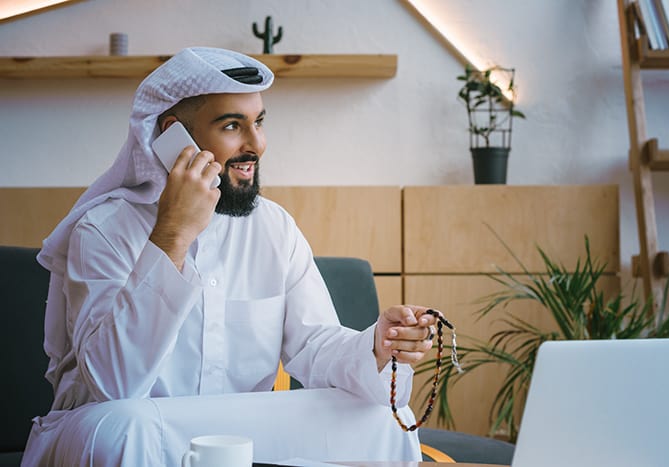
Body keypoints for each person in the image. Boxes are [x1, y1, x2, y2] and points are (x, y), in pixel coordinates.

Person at [21, 47, 439, 466]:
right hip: (125, 425)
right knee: (123, 425)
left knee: (386, 418)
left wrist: (377, 346)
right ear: (172, 136)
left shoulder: (274, 227)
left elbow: (314, 344)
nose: (255, 144)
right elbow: (113, 384)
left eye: (258, 122)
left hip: (234, 429)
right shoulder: (103, 230)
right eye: (232, 126)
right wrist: (172, 235)